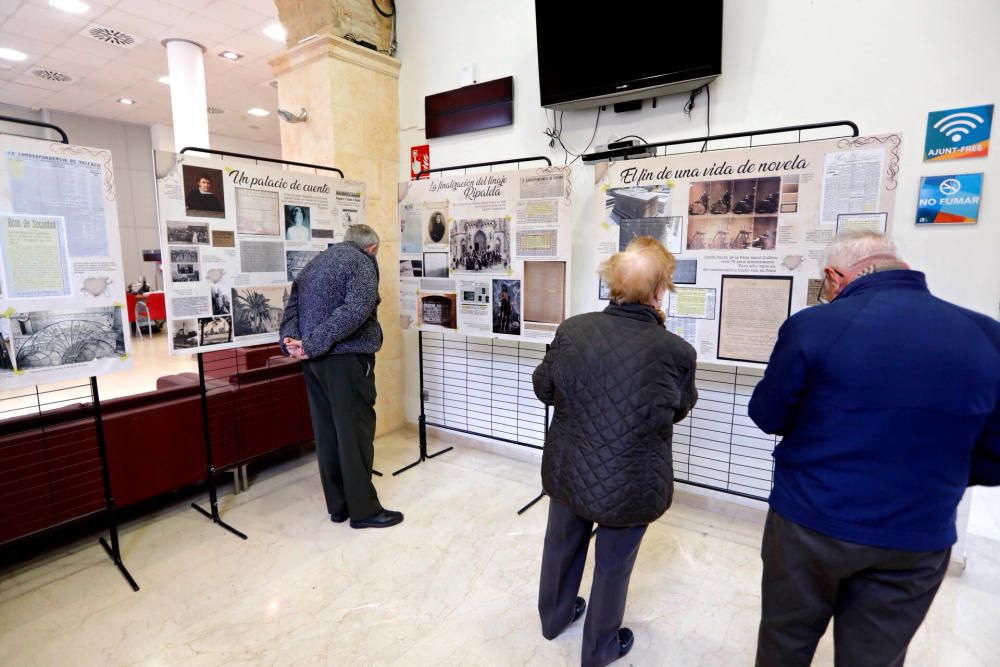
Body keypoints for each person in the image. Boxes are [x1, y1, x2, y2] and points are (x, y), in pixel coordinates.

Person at [748, 231, 1000, 667]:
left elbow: (769, 415)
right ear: (901, 267)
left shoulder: (813, 326)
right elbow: (995, 456)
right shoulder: (987, 336)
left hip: (809, 523)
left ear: (833, 276)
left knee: (784, 643)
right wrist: (936, 474)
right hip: (916, 534)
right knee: (876, 659)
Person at [532, 236, 698, 667]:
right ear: (660, 290)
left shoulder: (573, 329)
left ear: (613, 283)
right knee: (613, 565)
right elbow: (677, 411)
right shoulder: (676, 352)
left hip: (571, 467)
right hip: (632, 480)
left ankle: (552, 619)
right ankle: (599, 648)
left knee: (561, 544)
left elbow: (544, 388)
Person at [279, 224, 402, 529]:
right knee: (355, 435)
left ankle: (339, 506)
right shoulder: (362, 262)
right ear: (371, 248)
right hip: (345, 362)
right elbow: (356, 311)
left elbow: (291, 309)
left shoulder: (315, 262)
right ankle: (364, 511)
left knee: (328, 435)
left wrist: (291, 341)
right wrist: (315, 342)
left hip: (312, 362)